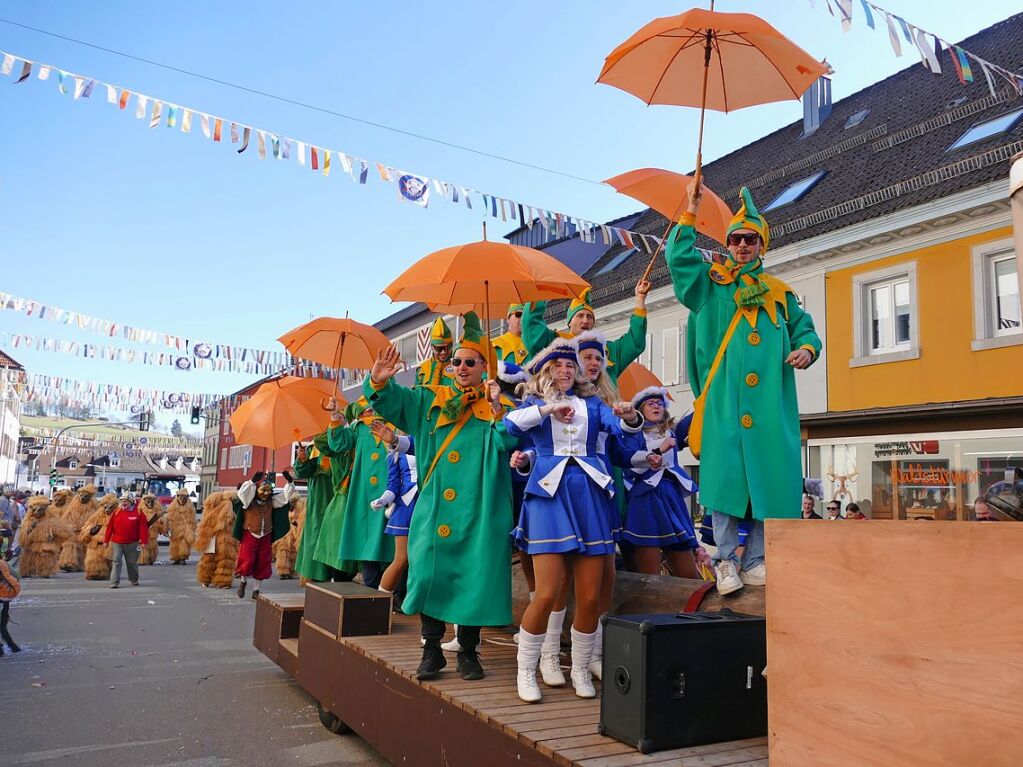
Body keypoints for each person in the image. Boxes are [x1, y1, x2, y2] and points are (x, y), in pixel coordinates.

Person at [667, 181, 821, 595]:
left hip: (770, 405)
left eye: (750, 239)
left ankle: (755, 558)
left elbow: (805, 331)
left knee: (770, 481)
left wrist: (806, 350)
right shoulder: (712, 285)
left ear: (761, 244)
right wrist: (689, 214)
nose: (741, 245)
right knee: (723, 480)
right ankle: (725, 561)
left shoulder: (781, 293)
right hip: (722, 403)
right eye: (735, 239)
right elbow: (680, 263)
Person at [364, 312, 516, 683]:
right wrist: (380, 383)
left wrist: (497, 409)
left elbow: (507, 444)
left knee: (473, 576)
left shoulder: (499, 408)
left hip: (479, 507)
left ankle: (467, 650)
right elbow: (396, 401)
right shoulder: (431, 401)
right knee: (429, 573)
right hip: (435, 508)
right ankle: (431, 650)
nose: (462, 367)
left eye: (470, 362)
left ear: (484, 367)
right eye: (457, 361)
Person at [506, 337, 643, 703]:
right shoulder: (535, 404)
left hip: (591, 498)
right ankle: (528, 669)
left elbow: (621, 437)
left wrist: (629, 417)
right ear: (546, 371)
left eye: (571, 365)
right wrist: (549, 410)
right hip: (549, 497)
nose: (566, 370)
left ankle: (580, 668)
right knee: (548, 592)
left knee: (588, 596)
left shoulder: (594, 404)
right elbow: (511, 426)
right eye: (558, 365)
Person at [615, 387, 704, 579]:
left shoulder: (671, 432)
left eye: (660, 403)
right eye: (651, 403)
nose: (657, 406)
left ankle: (690, 608)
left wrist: (707, 396)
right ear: (639, 409)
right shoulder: (632, 434)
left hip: (670, 496)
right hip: (646, 498)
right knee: (649, 575)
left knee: (689, 575)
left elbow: (697, 417)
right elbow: (630, 468)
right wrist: (658, 451)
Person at [521, 281, 650, 387]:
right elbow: (532, 329)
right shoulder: (555, 342)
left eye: (589, 317)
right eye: (580, 316)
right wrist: (539, 291)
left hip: (603, 412)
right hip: (565, 411)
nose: (585, 320)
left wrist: (640, 300)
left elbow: (635, 342)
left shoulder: (609, 350)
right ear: (569, 323)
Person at [326, 401, 396, 589]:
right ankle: (372, 591)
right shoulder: (358, 429)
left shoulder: (396, 422)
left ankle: (395, 591)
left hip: (394, 490)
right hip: (365, 493)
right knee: (367, 539)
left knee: (394, 539)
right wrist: (334, 416)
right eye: (365, 410)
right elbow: (339, 443)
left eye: (372, 408)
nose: (369, 412)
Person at [231, 472, 296, 600]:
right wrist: (251, 481)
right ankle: (243, 582)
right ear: (257, 490)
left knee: (262, 564)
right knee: (247, 561)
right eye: (263, 490)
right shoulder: (248, 501)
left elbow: (285, 497)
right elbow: (242, 494)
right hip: (250, 535)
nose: (266, 494)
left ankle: (256, 590)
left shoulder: (272, 502)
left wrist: (289, 482)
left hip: (265, 536)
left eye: (268, 491)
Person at [16, 496, 73, 578]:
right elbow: (24, 536)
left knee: (45, 557)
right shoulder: (28, 521)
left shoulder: (51, 520)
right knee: (28, 558)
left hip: (45, 544)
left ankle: (44, 572)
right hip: (32, 544)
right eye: (34, 510)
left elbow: (63, 532)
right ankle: (27, 571)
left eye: (39, 510)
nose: (36, 513)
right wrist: (30, 528)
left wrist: (53, 537)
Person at [195, 490, 240, 588]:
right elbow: (229, 520)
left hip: (212, 536)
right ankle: (221, 581)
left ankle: (206, 579)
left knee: (209, 558)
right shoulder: (229, 506)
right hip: (224, 537)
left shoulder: (210, 509)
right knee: (224, 559)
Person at [105, 494, 149, 588]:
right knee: (116, 561)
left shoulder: (138, 512)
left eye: (126, 501)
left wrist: (144, 541)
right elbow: (110, 527)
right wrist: (106, 540)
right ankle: (114, 582)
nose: (123, 503)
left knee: (132, 562)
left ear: (131, 502)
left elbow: (143, 528)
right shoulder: (117, 511)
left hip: (132, 543)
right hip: (117, 542)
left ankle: (134, 579)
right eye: (122, 501)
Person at [58, 484, 98, 572]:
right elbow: (66, 519)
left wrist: (87, 528)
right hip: (73, 531)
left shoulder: (93, 510)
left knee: (83, 548)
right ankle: (68, 562)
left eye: (85, 496)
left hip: (85, 532)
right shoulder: (72, 507)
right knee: (69, 545)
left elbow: (95, 521)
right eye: (81, 495)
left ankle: (80, 564)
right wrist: (70, 527)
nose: (82, 497)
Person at [80, 494, 118, 580]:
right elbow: (87, 527)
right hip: (95, 544)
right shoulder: (96, 517)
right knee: (93, 561)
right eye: (105, 507)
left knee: (107, 561)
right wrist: (90, 531)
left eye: (110, 508)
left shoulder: (118, 517)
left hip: (109, 544)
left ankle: (105, 572)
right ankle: (94, 573)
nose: (107, 510)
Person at [415, 317, 454, 387]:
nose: (443, 352)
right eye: (439, 348)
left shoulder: (461, 365)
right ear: (432, 347)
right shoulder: (422, 370)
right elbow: (416, 396)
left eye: (448, 347)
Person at [165, 488, 197, 565]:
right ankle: (176, 558)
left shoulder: (190, 508)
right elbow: (169, 518)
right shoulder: (172, 507)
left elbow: (192, 520)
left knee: (184, 543)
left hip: (185, 529)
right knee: (175, 544)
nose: (182, 500)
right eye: (181, 497)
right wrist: (168, 528)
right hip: (175, 528)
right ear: (178, 497)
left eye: (184, 498)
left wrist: (191, 529)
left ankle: (183, 557)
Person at [137, 493, 166, 566]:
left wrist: (162, 528)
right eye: (148, 502)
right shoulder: (140, 511)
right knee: (144, 546)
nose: (150, 504)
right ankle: (142, 559)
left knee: (152, 546)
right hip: (144, 533)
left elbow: (161, 523)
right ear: (144, 502)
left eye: (152, 502)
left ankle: (151, 559)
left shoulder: (157, 511)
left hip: (153, 533)